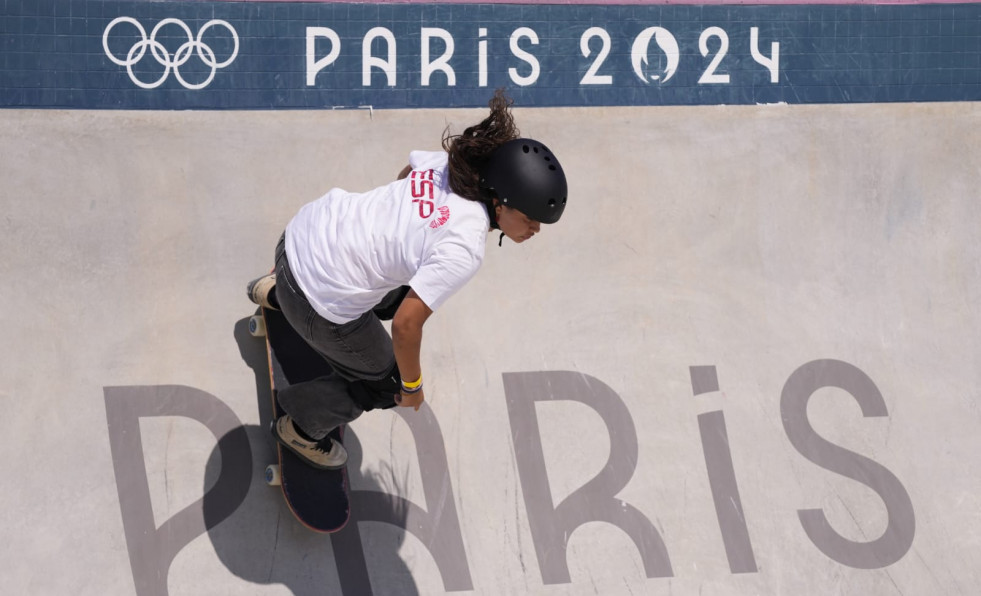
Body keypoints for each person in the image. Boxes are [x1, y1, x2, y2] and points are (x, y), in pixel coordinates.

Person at [247, 89, 568, 470]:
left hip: (298, 238)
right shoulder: (464, 248)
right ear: (500, 202)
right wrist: (412, 387)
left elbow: (405, 175)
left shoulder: (452, 165)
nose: (534, 230)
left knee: (406, 281)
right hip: (317, 302)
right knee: (388, 384)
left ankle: (278, 293)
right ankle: (300, 427)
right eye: (530, 218)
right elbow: (406, 326)